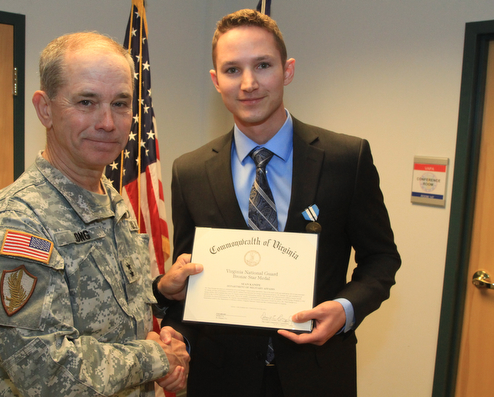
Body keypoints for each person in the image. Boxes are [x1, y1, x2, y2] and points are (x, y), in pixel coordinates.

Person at [155, 9, 401, 397]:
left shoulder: (345, 158)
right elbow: (191, 284)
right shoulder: (190, 171)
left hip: (318, 374)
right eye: (232, 70)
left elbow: (382, 258)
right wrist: (178, 337)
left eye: (263, 65)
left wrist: (345, 309)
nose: (249, 84)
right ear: (216, 81)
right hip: (220, 379)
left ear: (287, 71)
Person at [0, 31, 189, 397]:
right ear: (45, 109)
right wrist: (156, 357)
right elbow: (44, 370)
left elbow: (99, 305)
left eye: (121, 103)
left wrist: (158, 294)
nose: (108, 122)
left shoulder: (110, 198)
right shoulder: (19, 221)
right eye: (86, 102)